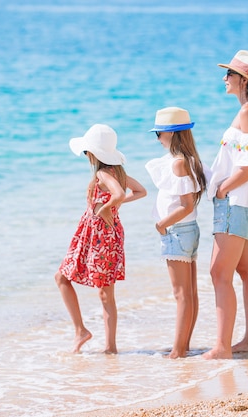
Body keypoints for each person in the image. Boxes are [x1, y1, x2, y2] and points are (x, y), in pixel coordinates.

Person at [203, 50, 248, 360]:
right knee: (247, 271)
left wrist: (222, 189)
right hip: (243, 203)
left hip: (236, 203)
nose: (224, 78)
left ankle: (222, 346)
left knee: (219, 272)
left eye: (229, 74)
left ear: (243, 80)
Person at [55, 124, 146, 354]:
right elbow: (140, 191)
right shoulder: (119, 173)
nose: (86, 156)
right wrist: (112, 208)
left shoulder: (103, 173)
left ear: (94, 153)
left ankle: (82, 332)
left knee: (63, 279)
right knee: (104, 293)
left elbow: (118, 194)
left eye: (87, 152)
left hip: (99, 235)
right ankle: (110, 347)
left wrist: (106, 207)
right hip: (103, 234)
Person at [145, 107, 208, 359]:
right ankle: (184, 344)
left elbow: (186, 205)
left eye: (159, 133)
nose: (158, 139)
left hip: (177, 231)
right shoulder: (189, 160)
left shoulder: (179, 163)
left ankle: (179, 350)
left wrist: (162, 224)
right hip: (187, 231)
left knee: (182, 294)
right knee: (189, 292)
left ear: (171, 134)